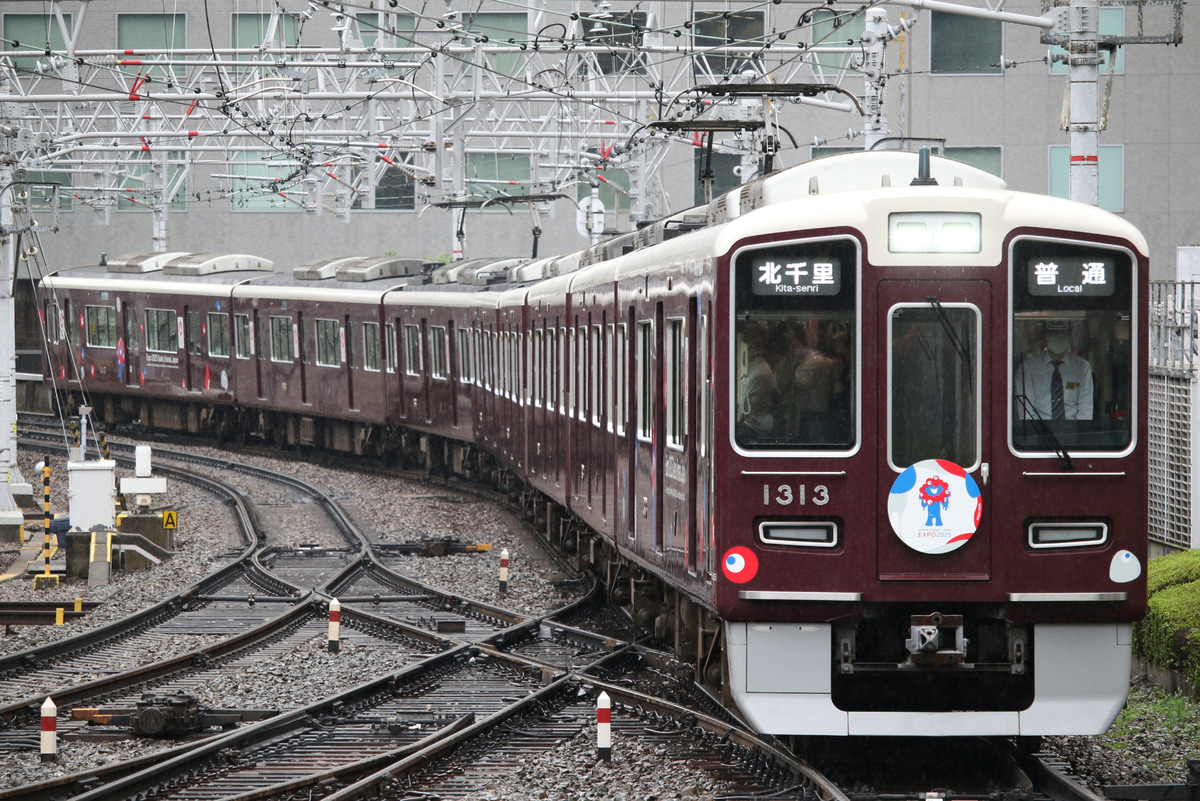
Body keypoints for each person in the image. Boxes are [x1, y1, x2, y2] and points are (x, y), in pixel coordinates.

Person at [1014, 326, 1094, 421]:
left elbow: (1086, 409)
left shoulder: (1081, 367)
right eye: (1054, 334)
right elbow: (1026, 412)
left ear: (1070, 337)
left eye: (1063, 334)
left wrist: (1077, 433)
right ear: (1046, 338)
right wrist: (1036, 432)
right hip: (1040, 429)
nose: (1059, 338)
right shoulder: (1028, 368)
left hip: (1072, 430)